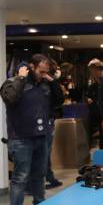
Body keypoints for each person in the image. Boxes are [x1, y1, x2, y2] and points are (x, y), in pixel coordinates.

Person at [1, 54, 63, 205]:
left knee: (39, 175)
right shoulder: (12, 82)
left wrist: (51, 80)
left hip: (41, 136)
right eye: (41, 71)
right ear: (31, 67)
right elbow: (10, 99)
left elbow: (59, 100)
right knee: (21, 177)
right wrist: (21, 79)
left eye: (46, 72)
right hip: (20, 138)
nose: (43, 75)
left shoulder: (45, 85)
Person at [45, 59, 64, 189]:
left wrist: (52, 81)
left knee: (45, 152)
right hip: (40, 122)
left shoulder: (49, 83)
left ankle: (49, 178)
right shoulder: (40, 84)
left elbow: (59, 98)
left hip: (47, 120)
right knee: (42, 152)